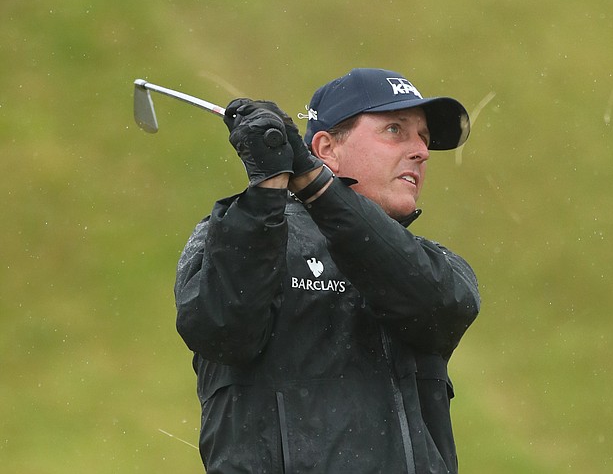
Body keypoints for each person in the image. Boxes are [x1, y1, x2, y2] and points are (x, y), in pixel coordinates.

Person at [174, 68, 480, 473]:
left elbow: (435, 304)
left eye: (423, 137)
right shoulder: (235, 235)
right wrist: (268, 188)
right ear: (326, 148)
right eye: (395, 130)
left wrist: (316, 184)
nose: (421, 151)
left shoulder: (433, 264)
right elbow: (223, 330)